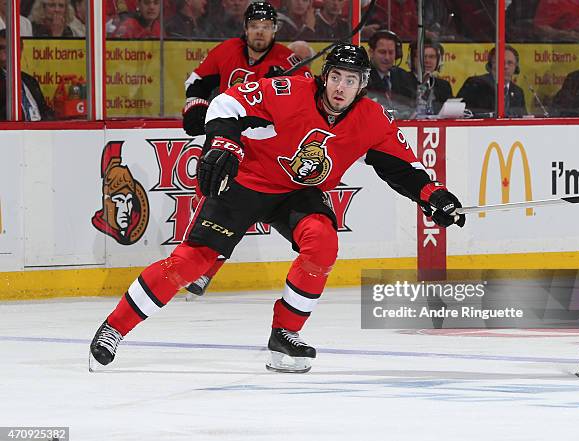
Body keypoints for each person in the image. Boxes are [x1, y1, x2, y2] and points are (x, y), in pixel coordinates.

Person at [89, 43, 465, 374]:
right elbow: (226, 102)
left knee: (323, 243)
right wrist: (222, 142)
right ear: (324, 76)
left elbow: (404, 168)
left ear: (362, 85)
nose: (341, 88)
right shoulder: (288, 91)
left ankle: (285, 333)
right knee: (191, 262)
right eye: (336, 77)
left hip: (298, 193)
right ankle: (114, 328)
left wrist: (435, 197)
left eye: (351, 81)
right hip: (246, 183)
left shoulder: (372, 119)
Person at [182, 1, 311, 297]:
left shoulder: (288, 60)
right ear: (245, 28)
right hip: (226, 137)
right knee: (209, 198)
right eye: (255, 26)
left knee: (237, 209)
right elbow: (198, 82)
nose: (260, 32)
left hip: (264, 150)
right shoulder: (227, 50)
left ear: (275, 29)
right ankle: (195, 261)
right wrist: (195, 106)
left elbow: (307, 103)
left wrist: (285, 85)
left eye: (266, 27)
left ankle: (205, 271)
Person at [457, 46, 527, 118]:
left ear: (516, 68)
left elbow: (523, 117)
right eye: (501, 62)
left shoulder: (518, 92)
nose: (506, 66)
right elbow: (461, 113)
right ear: (491, 65)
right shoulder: (475, 84)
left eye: (510, 63)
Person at [0, 29, 55, 121]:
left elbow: (44, 110)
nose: (5, 52)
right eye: (1, 48)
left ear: (21, 50)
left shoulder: (29, 80)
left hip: (41, 130)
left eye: (11, 48)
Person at [366, 29, 414, 118]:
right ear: (371, 53)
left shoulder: (404, 77)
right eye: (382, 52)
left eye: (391, 52)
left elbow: (412, 107)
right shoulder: (362, 78)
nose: (387, 57)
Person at [407, 39, 453, 116]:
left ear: (438, 61)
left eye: (432, 57)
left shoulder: (444, 86)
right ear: (411, 60)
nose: (427, 61)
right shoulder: (402, 80)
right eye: (423, 57)